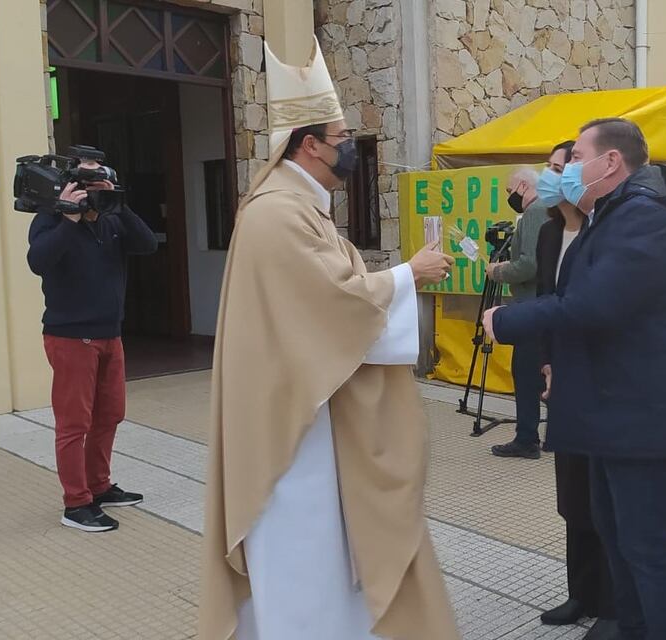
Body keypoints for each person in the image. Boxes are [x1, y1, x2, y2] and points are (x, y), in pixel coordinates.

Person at [199, 38, 460, 640]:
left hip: (311, 405)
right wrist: (408, 275)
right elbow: (330, 307)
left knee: (328, 543)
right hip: (290, 424)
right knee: (304, 545)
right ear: (309, 145)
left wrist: (396, 279)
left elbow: (330, 296)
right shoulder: (277, 213)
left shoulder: (299, 205)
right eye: (342, 138)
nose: (350, 150)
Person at [483, 118, 666, 640]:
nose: (564, 171)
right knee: (620, 544)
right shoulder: (614, 216)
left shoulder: (645, 220)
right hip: (618, 416)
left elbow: (593, 306)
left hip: (646, 422)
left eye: (574, 159)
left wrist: (508, 320)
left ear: (610, 162)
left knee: (648, 555)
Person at [27, 159, 158, 533]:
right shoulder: (50, 219)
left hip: (110, 335)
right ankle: (76, 503)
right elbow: (38, 261)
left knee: (110, 414)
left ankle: (99, 486)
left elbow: (148, 243)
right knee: (74, 424)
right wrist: (68, 218)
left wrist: (119, 204)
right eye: (89, 185)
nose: (94, 194)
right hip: (70, 337)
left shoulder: (112, 221)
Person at [534, 141, 617, 637]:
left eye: (559, 168)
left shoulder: (603, 229)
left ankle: (612, 605)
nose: (550, 177)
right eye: (548, 169)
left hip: (597, 384)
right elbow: (547, 301)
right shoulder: (549, 233)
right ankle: (580, 593)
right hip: (561, 378)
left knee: (603, 496)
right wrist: (546, 363)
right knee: (572, 496)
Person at [485, 167, 548, 459]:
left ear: (524, 185)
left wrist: (499, 270)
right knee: (543, 373)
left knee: (525, 373)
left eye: (510, 191)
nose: (510, 196)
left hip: (531, 307)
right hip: (544, 305)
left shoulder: (535, 211)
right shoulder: (550, 209)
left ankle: (527, 439)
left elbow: (529, 264)